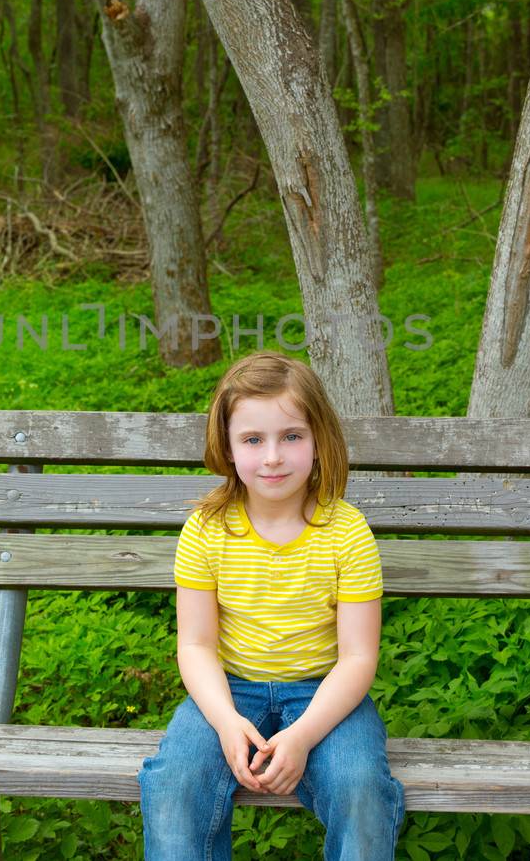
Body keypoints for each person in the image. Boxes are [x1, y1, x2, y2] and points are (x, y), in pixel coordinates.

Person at [139, 351, 405, 860]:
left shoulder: (346, 532)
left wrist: (303, 736)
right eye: (253, 440)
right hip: (229, 691)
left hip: (323, 694)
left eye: (292, 436)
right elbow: (195, 644)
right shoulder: (207, 527)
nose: (273, 457)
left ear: (319, 440)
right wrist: (223, 720)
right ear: (228, 445)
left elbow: (358, 658)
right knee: (175, 783)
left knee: (360, 784)